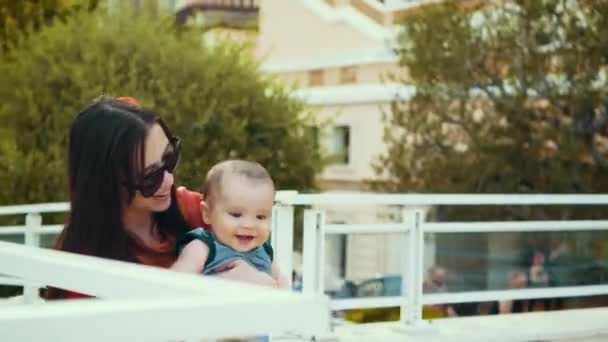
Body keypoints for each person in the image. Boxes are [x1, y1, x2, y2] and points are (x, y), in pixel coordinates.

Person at [47, 96, 274, 299]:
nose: (169, 181)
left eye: (170, 158)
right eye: (150, 177)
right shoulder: (82, 268)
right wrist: (213, 288)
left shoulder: (198, 209)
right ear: (108, 182)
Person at [172, 160, 288, 289]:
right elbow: (175, 284)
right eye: (236, 214)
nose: (249, 225)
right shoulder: (203, 247)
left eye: (260, 217)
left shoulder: (265, 252)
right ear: (207, 213)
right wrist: (222, 282)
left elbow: (284, 288)